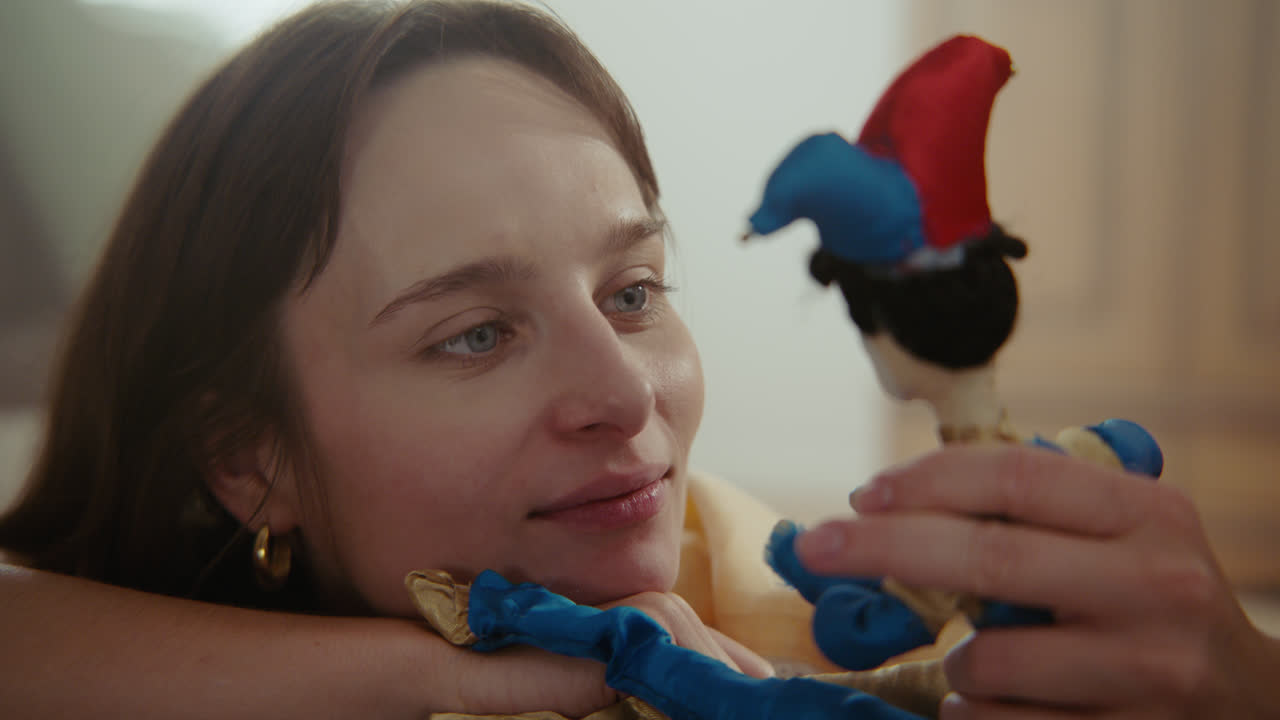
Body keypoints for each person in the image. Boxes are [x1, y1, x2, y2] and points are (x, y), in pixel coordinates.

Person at [0, 1, 1275, 719]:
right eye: (475, 334)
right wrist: (443, 678)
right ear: (246, 459)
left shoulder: (752, 592)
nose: (627, 400)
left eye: (632, 291)